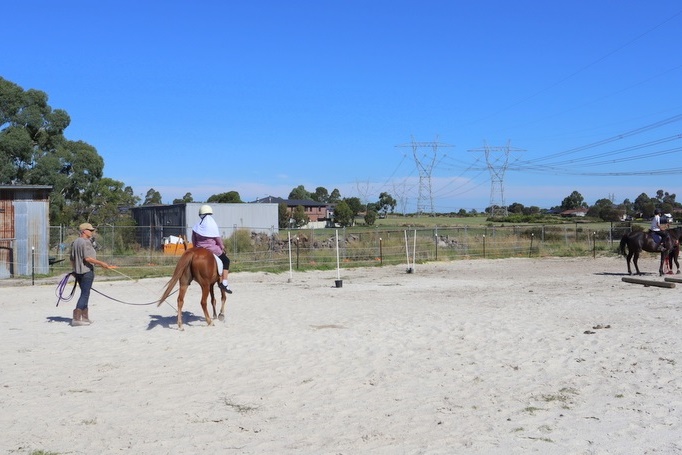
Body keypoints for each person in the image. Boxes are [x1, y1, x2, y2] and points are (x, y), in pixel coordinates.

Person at [69, 222, 116, 326]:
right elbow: (88, 258)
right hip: (86, 272)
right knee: (85, 294)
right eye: (90, 230)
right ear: (84, 231)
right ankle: (76, 318)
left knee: (85, 293)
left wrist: (74, 270)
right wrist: (101, 263)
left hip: (78, 272)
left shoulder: (76, 242)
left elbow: (72, 259)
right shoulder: (85, 242)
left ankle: (85, 317)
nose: (91, 232)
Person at [192, 205, 232, 293]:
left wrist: (195, 249)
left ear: (201, 214)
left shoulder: (196, 226)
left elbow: (193, 240)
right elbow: (218, 239)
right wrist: (222, 247)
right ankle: (224, 283)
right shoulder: (212, 225)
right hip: (212, 249)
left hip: (199, 248)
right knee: (226, 261)